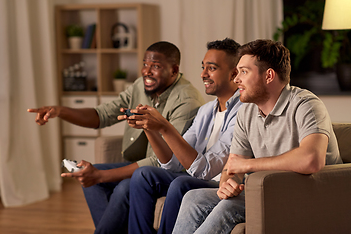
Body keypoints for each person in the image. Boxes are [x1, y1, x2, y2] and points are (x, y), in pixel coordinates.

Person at [27, 41, 205, 234]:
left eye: (155, 66)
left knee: (120, 187)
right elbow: (101, 115)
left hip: (169, 172)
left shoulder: (187, 102)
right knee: (91, 182)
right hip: (144, 167)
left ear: (174, 70)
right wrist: (60, 111)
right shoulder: (139, 86)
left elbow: (165, 161)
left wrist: (100, 175)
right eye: (145, 64)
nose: (147, 71)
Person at [172, 39, 343, 234]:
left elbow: (311, 160)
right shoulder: (247, 113)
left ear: (269, 75)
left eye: (244, 72)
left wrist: (249, 166)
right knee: (194, 198)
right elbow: (234, 166)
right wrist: (228, 184)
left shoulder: (306, 105)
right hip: (270, 192)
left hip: (310, 195)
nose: (236, 79)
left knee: (230, 207)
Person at [125, 38, 243, 234]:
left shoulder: (244, 112)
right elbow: (172, 163)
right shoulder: (206, 111)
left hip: (217, 184)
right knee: (143, 175)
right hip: (195, 176)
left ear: (234, 73)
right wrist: (149, 127)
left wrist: (164, 126)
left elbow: (204, 171)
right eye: (203, 67)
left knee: (182, 183)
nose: (203, 74)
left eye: (211, 68)